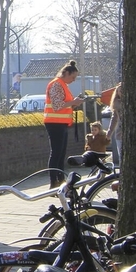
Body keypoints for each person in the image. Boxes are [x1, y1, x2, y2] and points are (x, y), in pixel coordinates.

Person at [43, 60, 85, 188]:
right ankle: (54, 183)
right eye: (73, 77)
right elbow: (57, 105)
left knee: (60, 153)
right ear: (66, 73)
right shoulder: (56, 84)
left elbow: (62, 105)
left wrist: (74, 103)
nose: (74, 80)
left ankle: (60, 181)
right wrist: (73, 102)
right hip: (55, 123)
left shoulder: (63, 85)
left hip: (61, 123)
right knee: (56, 153)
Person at [108, 81, 124, 164]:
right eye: (120, 91)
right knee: (121, 154)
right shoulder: (116, 105)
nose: (122, 93)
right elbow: (114, 119)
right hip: (119, 133)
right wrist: (109, 133)